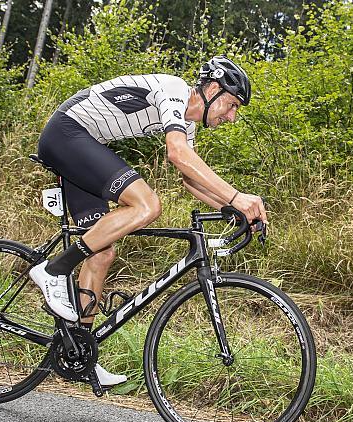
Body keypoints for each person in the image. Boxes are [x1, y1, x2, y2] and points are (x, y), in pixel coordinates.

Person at [29, 56, 267, 386]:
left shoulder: (189, 124)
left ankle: (79, 351)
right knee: (147, 205)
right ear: (212, 89)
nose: (231, 116)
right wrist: (237, 196)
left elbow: (191, 179)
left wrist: (236, 210)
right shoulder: (174, 90)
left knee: (101, 252)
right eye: (230, 105)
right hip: (67, 134)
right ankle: (53, 270)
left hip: (82, 143)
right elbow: (177, 154)